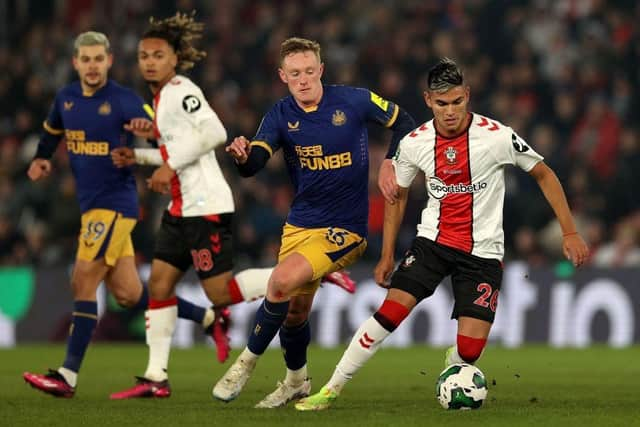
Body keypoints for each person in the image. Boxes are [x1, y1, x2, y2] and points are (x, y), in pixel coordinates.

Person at [295, 58, 590, 411]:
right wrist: (388, 253)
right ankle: (331, 388)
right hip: (432, 242)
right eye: (441, 104)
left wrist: (569, 232)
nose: (450, 111)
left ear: (467, 95)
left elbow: (544, 174)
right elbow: (397, 196)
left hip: (483, 252)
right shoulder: (415, 142)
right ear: (427, 100)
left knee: (469, 350)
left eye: (456, 102)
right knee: (390, 312)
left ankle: (457, 362)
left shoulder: (496, 136)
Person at [108, 16, 355, 400]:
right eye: (143, 56)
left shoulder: (181, 91)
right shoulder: (159, 99)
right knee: (158, 284)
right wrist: (141, 156)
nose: (149, 62)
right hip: (180, 205)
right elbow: (174, 149)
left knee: (220, 294)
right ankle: (156, 376)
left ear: (175, 59)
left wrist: (167, 165)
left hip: (204, 203)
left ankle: (304, 273)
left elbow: (214, 133)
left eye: (159, 55)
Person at [212, 37, 416, 408]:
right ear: (282, 76)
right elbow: (254, 163)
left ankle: (245, 364)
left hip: (347, 229)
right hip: (301, 225)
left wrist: (390, 160)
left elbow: (405, 121)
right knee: (293, 313)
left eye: (309, 71)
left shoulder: (353, 100)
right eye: (295, 74)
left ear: (321, 70)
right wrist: (242, 157)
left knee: (281, 282)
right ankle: (296, 381)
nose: (303, 80)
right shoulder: (279, 115)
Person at [21, 31, 221, 398]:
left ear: (109, 61)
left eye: (99, 59)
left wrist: (148, 133)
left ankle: (67, 376)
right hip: (91, 209)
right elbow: (52, 133)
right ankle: (208, 317)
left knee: (82, 280)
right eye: (86, 60)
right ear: (75, 63)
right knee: (130, 294)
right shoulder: (65, 99)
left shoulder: (124, 100)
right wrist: (41, 158)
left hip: (115, 205)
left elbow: (161, 133)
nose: (93, 66)